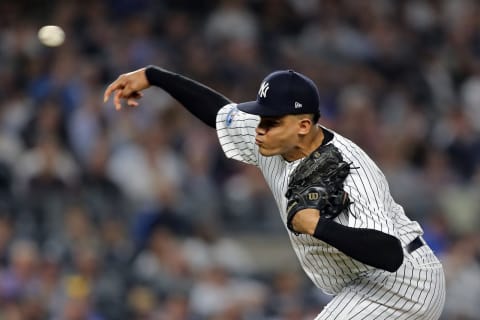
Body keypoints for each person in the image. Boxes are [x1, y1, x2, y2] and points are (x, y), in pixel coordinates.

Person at [103, 66, 446, 319]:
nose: (260, 130)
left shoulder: (353, 172)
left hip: (402, 285)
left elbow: (390, 254)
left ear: (303, 126)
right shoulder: (273, 134)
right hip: (363, 282)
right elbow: (217, 112)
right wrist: (154, 76)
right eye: (260, 118)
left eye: (271, 123)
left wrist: (318, 226)